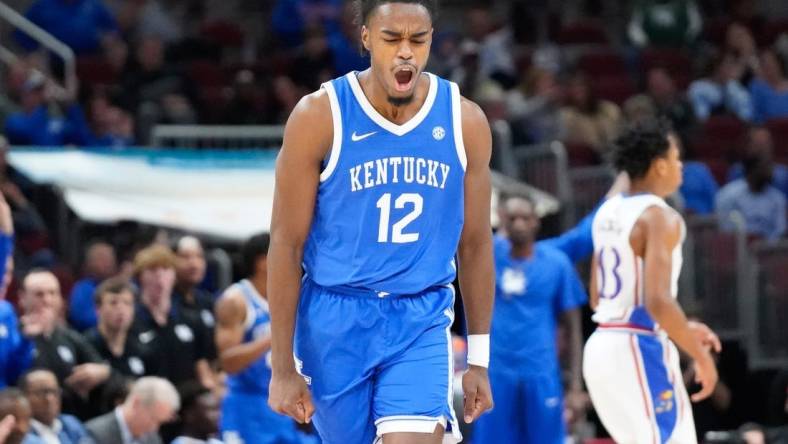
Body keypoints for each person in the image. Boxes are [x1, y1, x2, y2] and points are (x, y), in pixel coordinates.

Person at [267, 1, 495, 443]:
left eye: (418, 39)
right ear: (367, 39)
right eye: (392, 39)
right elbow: (285, 244)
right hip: (335, 317)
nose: (406, 52)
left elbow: (476, 245)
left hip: (420, 315)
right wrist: (281, 367)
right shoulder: (319, 116)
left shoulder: (464, 121)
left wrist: (480, 360)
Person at [583, 119, 722, 443]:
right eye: (676, 158)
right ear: (659, 166)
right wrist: (701, 358)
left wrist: (681, 327)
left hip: (602, 346)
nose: (680, 167)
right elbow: (657, 301)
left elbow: (597, 298)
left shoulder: (606, 212)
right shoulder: (659, 216)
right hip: (638, 347)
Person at [473, 194, 587, 444]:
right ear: (501, 220)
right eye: (512, 218)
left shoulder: (557, 264)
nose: (519, 224)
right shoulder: (487, 257)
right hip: (497, 372)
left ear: (537, 221)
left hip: (541, 371)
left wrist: (576, 386)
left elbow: (573, 326)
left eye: (525, 218)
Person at [215, 233, 304, 443]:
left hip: (279, 401)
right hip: (245, 404)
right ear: (263, 262)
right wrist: (274, 337)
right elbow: (227, 361)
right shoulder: (235, 300)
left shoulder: (290, 296)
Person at [18, 270, 112, 420]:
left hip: (69, 420)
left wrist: (98, 371)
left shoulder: (69, 337)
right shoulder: (15, 336)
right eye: (39, 294)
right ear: (22, 298)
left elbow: (103, 367)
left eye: (52, 293)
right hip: (29, 422)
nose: (47, 300)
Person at [130, 245, 215, 389]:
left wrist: (211, 387)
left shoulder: (191, 320)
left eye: (165, 269)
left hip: (187, 400)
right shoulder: (131, 322)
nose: (159, 276)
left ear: (174, 276)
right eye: (152, 270)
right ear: (140, 277)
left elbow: (202, 364)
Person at [716, 135, 786, 240]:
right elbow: (725, 228)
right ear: (752, 170)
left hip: (768, 250)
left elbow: (780, 231)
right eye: (765, 167)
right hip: (738, 248)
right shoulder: (728, 194)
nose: (770, 172)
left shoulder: (777, 198)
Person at [85, 277, 154, 378]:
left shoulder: (141, 350)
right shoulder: (86, 346)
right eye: (113, 303)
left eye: (127, 303)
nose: (121, 309)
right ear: (98, 309)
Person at [85, 376, 178, 444]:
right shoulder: (96, 434)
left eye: (160, 422)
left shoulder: (152, 438)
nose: (154, 428)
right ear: (136, 403)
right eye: (153, 419)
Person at [20, 369, 91, 444]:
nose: (49, 399)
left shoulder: (70, 423)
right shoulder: (19, 433)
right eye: (41, 393)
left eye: (54, 391)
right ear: (24, 397)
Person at [68, 241, 118, 331]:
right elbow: (80, 317)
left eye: (110, 258)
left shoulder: (120, 286)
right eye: (102, 259)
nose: (107, 263)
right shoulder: (82, 288)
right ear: (90, 263)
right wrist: (111, 318)